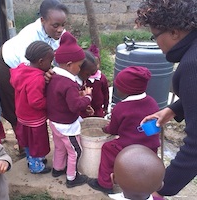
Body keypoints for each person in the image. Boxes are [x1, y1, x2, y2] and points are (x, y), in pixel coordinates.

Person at [135, 0, 197, 198]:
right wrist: (173, 110)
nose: (156, 43)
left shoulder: (191, 66)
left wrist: (162, 186)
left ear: (174, 32)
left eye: (155, 37)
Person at [0, 0, 68, 151]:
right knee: (17, 105)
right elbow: (27, 72)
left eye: (63, 25)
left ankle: (30, 140)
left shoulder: (60, 33)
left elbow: (64, 52)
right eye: (55, 25)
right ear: (43, 21)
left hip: (36, 66)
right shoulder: (29, 37)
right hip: (8, 62)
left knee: (32, 104)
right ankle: (23, 144)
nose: (60, 30)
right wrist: (46, 76)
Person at [88, 66, 161, 194]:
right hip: (150, 149)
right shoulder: (153, 103)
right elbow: (153, 130)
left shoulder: (121, 107)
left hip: (128, 148)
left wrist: (105, 129)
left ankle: (104, 183)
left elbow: (113, 130)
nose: (117, 88)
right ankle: (141, 184)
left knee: (107, 148)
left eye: (118, 86)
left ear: (127, 90)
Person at [46, 31, 92, 188]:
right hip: (67, 126)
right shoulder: (69, 83)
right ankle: (72, 178)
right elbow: (75, 106)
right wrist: (87, 98)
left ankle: (57, 169)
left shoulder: (53, 77)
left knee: (59, 147)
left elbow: (61, 99)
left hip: (54, 121)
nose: (79, 69)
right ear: (69, 64)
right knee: (75, 151)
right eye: (79, 66)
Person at [10, 41, 54, 174]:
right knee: (36, 142)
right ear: (41, 62)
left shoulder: (22, 69)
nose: (51, 64)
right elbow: (36, 101)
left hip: (22, 115)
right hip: (34, 118)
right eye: (50, 61)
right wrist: (50, 102)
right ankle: (36, 166)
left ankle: (34, 159)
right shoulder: (37, 78)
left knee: (28, 141)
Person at [84, 44, 109, 118]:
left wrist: (105, 107)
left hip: (98, 109)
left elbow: (106, 93)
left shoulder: (101, 77)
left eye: (97, 63)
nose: (94, 67)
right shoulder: (84, 77)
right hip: (86, 108)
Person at [76, 50, 98, 118]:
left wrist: (86, 107)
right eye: (87, 74)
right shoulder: (72, 83)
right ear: (79, 68)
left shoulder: (82, 80)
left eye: (91, 74)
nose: (88, 77)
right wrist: (87, 96)